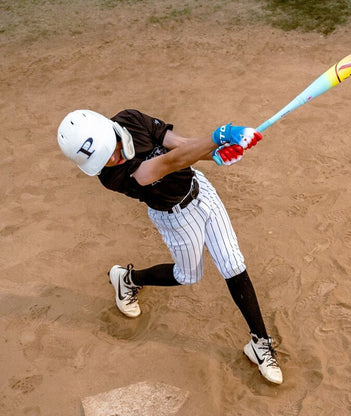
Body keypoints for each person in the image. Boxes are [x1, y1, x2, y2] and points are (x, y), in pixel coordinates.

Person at [57, 108, 283, 384]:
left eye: (111, 150)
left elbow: (177, 144)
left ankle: (260, 343)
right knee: (188, 275)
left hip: (201, 191)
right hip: (175, 218)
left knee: (233, 264)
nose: (113, 160)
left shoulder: (130, 119)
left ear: (110, 130)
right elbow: (169, 163)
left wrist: (211, 152)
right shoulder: (113, 177)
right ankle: (127, 280)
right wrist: (219, 136)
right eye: (103, 160)